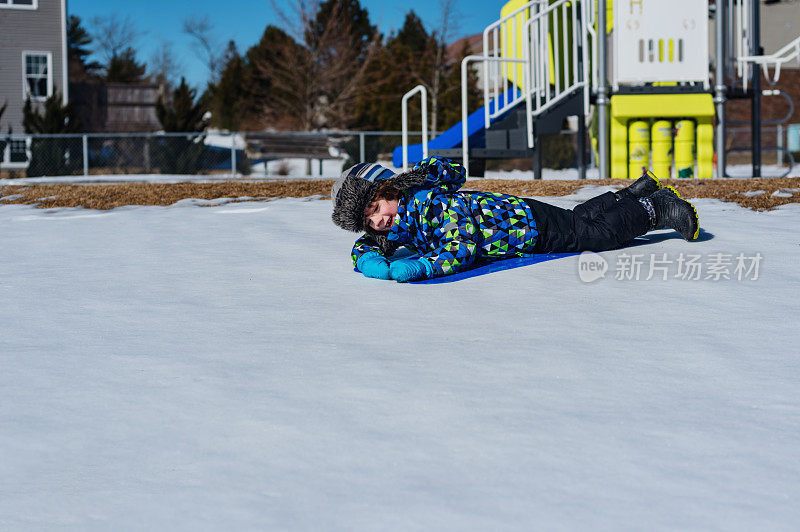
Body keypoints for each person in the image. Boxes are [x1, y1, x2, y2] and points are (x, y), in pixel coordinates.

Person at [331, 156, 699, 282]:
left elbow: (462, 247)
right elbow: (382, 242)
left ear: (392, 189)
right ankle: (632, 195)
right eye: (369, 221)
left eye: (377, 208)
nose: (379, 222)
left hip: (527, 231)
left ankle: (657, 209)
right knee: (578, 218)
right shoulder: (404, 220)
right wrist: (366, 256)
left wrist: (426, 267)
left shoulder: (428, 205)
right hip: (522, 216)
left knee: (594, 235)